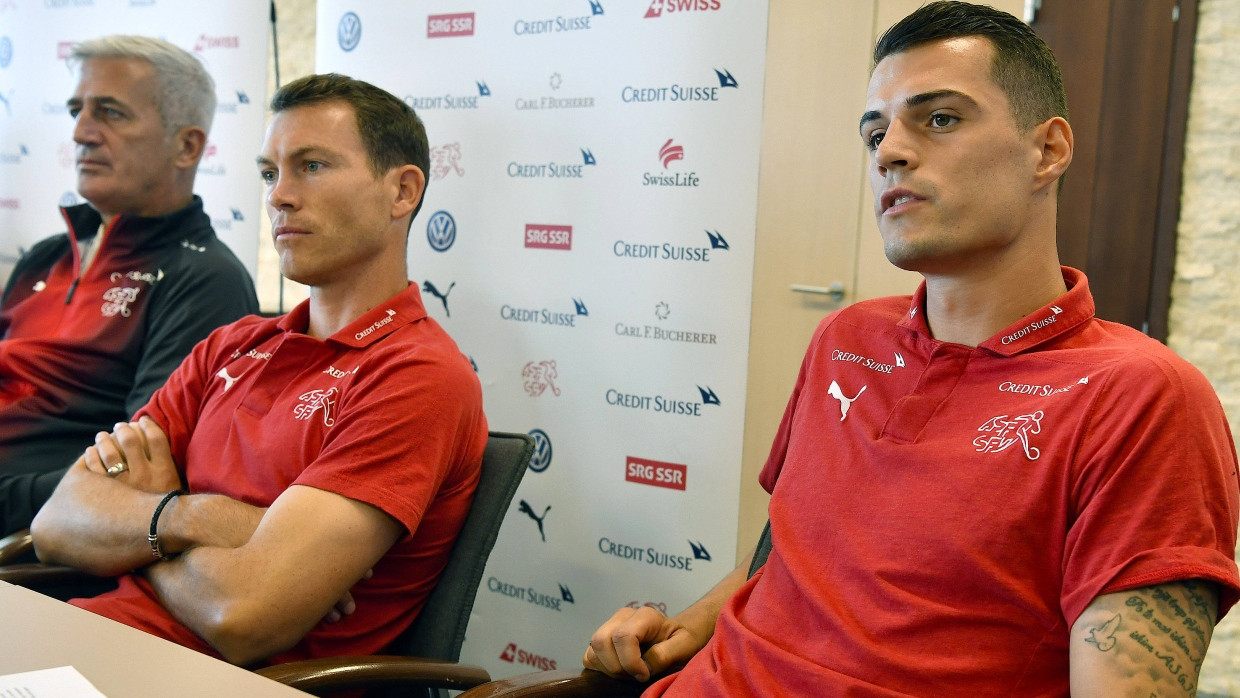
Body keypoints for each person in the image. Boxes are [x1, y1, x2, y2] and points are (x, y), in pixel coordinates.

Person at [584, 3, 1240, 695]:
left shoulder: (1140, 398)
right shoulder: (846, 338)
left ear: (1046, 151)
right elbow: (789, 554)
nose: (890, 150)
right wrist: (685, 629)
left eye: (940, 119)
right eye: (875, 132)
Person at [30, 73, 487, 667]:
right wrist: (197, 516)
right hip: (87, 644)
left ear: (402, 192)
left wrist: (145, 528)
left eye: (313, 166)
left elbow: (243, 618)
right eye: (270, 173)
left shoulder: (417, 374)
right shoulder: (231, 345)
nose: (278, 196)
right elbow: (56, 522)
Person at [0, 35, 258, 535]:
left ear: (187, 146)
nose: (80, 132)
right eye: (78, 110)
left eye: (111, 113)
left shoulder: (205, 280)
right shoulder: (44, 256)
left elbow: (134, 482)